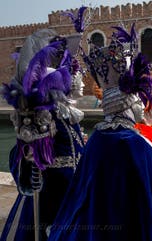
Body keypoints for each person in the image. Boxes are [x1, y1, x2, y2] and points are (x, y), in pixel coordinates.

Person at [47, 24, 152, 241]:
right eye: (136, 97)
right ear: (125, 103)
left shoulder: (97, 139)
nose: (140, 102)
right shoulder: (137, 145)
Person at [0, 29, 85, 241]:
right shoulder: (45, 114)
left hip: (74, 190)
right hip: (50, 194)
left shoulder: (67, 115)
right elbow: (24, 152)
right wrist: (29, 170)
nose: (76, 81)